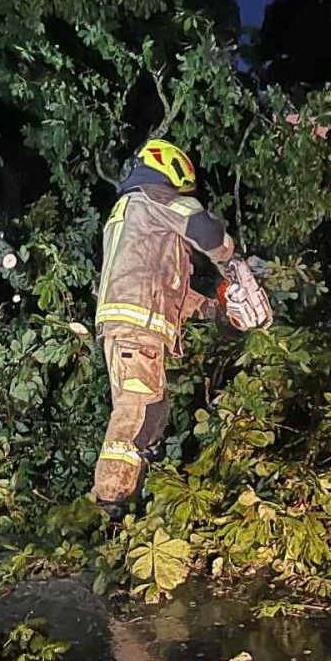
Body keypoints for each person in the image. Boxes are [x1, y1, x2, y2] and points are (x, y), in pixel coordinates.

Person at [92, 139, 271, 521]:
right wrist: (234, 264)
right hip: (137, 326)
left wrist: (214, 311)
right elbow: (202, 228)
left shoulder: (137, 217)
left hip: (131, 325)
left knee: (152, 411)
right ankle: (108, 510)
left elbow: (168, 287)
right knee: (135, 414)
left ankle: (134, 501)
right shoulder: (153, 196)